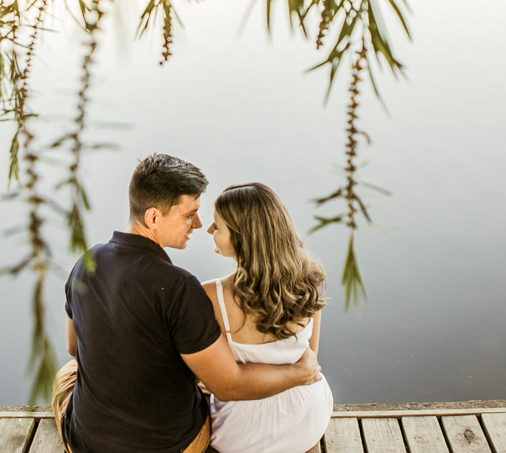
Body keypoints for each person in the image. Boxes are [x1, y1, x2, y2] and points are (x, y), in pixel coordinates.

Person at [52, 155, 320, 453]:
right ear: (153, 217)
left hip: (88, 443)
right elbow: (228, 385)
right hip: (174, 446)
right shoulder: (180, 287)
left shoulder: (85, 264)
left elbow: (75, 348)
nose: (199, 223)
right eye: (189, 214)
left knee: (67, 374)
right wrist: (300, 373)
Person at [203, 183, 334, 453]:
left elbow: (215, 381)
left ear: (241, 238)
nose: (209, 231)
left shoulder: (210, 296)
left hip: (243, 435)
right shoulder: (310, 279)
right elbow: (310, 356)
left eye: (217, 227)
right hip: (307, 417)